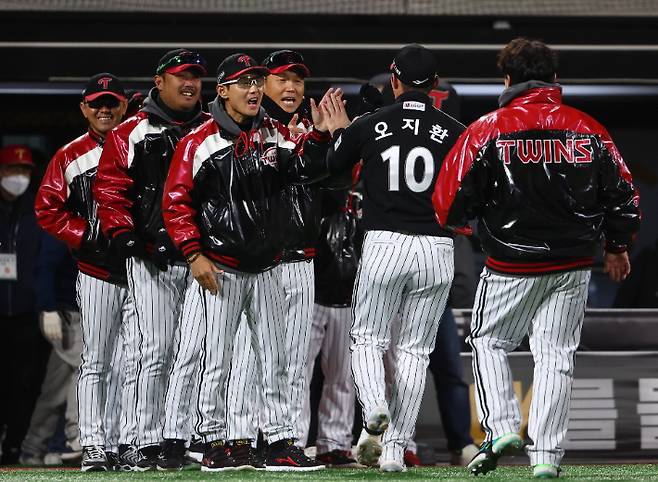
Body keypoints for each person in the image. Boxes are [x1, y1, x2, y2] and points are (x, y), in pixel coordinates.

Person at [433, 37, 641, 479]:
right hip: (573, 264)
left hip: (510, 264)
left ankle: (503, 427)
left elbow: (447, 201)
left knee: (488, 342)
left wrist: (477, 229)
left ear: (507, 79)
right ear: (554, 78)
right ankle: (546, 456)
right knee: (556, 356)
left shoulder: (487, 129)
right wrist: (617, 247)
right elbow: (625, 197)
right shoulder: (589, 128)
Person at [160, 52, 340, 472]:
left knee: (276, 358)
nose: (255, 89)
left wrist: (318, 138)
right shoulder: (199, 140)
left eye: (258, 81)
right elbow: (175, 203)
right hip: (219, 265)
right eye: (245, 82)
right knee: (215, 359)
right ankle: (215, 441)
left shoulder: (272, 133)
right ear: (222, 91)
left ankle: (278, 441)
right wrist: (193, 253)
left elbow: (301, 172)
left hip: (268, 266)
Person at [323, 44, 465, 472]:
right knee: (416, 352)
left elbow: (331, 166)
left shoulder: (370, 123)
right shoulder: (456, 130)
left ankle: (374, 408)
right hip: (436, 248)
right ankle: (394, 451)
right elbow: (469, 193)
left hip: (385, 242)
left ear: (395, 81)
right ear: (436, 86)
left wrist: (342, 133)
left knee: (367, 338)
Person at [93, 50, 209, 470]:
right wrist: (125, 236)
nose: (191, 82)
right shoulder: (130, 132)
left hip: (202, 258)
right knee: (155, 350)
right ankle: (141, 440)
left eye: (196, 75)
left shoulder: (214, 129)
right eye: (182, 75)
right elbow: (109, 188)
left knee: (194, 353)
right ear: (159, 81)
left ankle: (181, 437)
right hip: (150, 257)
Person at [34, 72, 139, 472]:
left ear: (124, 105)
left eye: (111, 101)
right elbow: (47, 209)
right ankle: (94, 443)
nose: (104, 109)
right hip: (96, 267)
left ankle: (130, 441)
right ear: (84, 109)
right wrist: (87, 235)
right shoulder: (69, 155)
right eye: (97, 103)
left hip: (140, 268)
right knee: (96, 359)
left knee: (138, 359)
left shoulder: (144, 144)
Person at [0, 145, 50, 465]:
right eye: (12, 171)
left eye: (25, 171)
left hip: (27, 311)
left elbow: (47, 261)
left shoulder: (38, 211)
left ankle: (15, 444)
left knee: (26, 384)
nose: (19, 177)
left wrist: (46, 304)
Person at [19, 232, 80, 467]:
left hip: (81, 312)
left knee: (55, 388)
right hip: (66, 314)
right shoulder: (64, 222)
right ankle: (75, 436)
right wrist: (47, 308)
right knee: (86, 368)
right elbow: (45, 267)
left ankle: (33, 447)